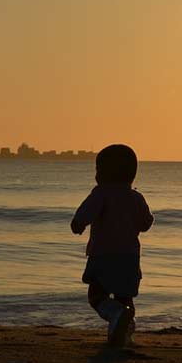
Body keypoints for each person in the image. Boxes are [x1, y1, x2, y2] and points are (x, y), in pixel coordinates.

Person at [71, 144, 154, 347]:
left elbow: (84, 215)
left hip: (103, 256)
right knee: (125, 297)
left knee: (96, 294)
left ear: (103, 173)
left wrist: (78, 224)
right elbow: (146, 223)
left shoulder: (101, 194)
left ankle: (115, 314)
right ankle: (124, 335)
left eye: (98, 169)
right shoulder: (136, 197)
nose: (96, 175)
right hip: (130, 259)